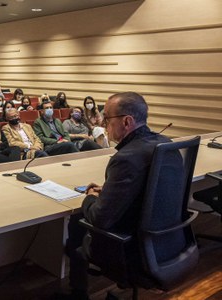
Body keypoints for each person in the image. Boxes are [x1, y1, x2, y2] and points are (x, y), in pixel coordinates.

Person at [63, 92, 174, 300]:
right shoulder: (166, 144)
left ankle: (78, 292)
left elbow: (100, 218)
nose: (105, 124)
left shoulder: (126, 158)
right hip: (167, 240)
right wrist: (110, 190)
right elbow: (148, 190)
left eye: (108, 119)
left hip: (131, 247)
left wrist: (90, 196)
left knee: (77, 219)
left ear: (127, 121)